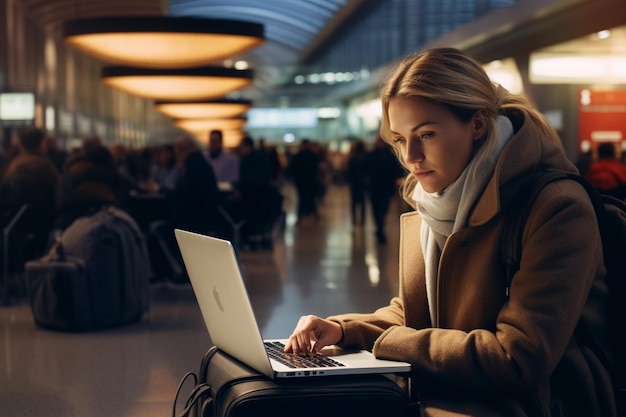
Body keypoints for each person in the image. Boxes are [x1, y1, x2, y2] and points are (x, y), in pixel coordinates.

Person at [285, 47, 615, 417]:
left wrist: (388, 342)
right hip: (459, 391)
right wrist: (342, 329)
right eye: (399, 139)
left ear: (477, 124)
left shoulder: (555, 206)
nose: (410, 155)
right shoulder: (437, 202)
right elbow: (419, 311)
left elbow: (519, 357)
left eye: (425, 134)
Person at [365, 134, 404, 243]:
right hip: (374, 186)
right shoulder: (371, 155)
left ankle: (380, 227)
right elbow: (365, 168)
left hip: (386, 186)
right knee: (375, 208)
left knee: (383, 208)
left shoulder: (390, 156)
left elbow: (396, 170)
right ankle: (379, 227)